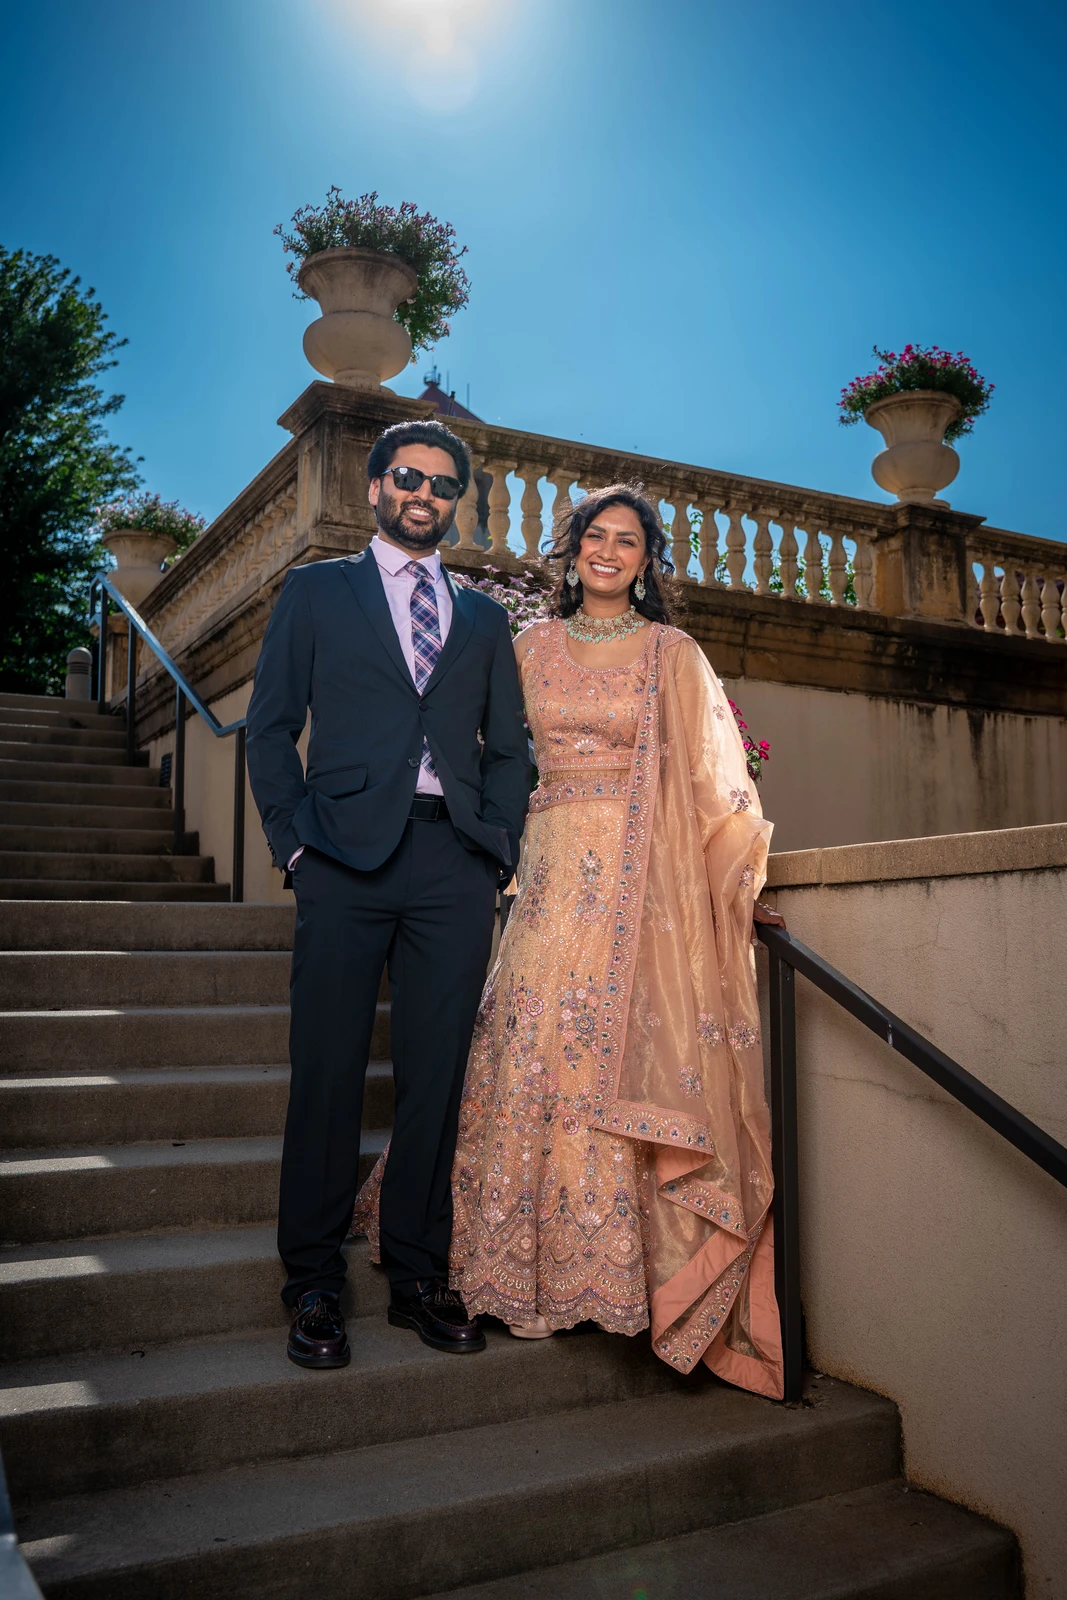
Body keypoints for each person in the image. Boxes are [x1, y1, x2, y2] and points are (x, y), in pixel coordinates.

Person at [355, 482, 787, 1400]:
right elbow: (474, 753)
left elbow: (710, 779)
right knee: (527, 1042)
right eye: (597, 535)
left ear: (646, 561)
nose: (609, 551)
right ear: (574, 548)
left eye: (628, 541)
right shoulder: (526, 648)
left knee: (612, 1048)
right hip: (547, 874)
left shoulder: (672, 652)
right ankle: (504, 1264)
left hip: (641, 886)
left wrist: (733, 886)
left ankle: (610, 1276)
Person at [247, 418, 530, 1368]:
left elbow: (509, 749)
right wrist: (294, 848)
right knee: (327, 1073)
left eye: (444, 485)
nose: (425, 495)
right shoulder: (316, 591)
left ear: (457, 503)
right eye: (409, 477)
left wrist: (495, 848)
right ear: (374, 488)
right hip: (341, 859)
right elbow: (270, 728)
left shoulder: (483, 618)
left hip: (452, 863)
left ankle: (417, 1273)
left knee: (435, 1079)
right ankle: (312, 1284)